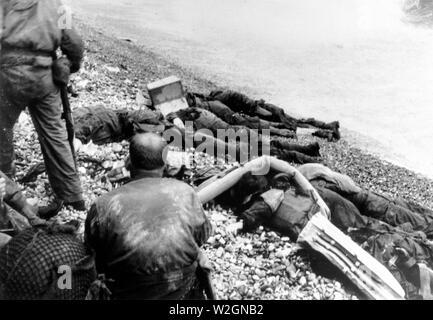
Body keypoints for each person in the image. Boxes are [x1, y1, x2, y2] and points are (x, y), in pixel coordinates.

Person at [85, 133, 213, 300]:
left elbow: (94, 255)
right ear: (165, 164)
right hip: (180, 290)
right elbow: (202, 236)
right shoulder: (186, 192)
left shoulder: (103, 205)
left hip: (128, 292)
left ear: (129, 162)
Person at [0, 0, 85, 213]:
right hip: (44, 78)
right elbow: (74, 43)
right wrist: (70, 65)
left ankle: (6, 188)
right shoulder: (58, 5)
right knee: (55, 134)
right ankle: (72, 197)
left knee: (2, 131)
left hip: (8, 75)